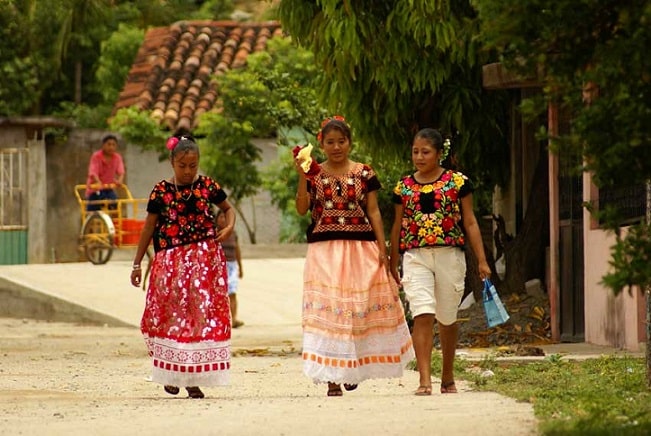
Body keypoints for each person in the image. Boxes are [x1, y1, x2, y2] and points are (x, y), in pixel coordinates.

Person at [294, 115, 415, 397]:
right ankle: (332, 378)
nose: (336, 147)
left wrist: (383, 248)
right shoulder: (313, 173)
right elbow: (301, 209)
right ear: (322, 144)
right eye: (330, 142)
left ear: (350, 142)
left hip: (361, 247)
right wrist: (301, 175)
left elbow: (373, 211)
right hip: (324, 249)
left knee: (359, 307)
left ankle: (354, 367)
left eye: (341, 141)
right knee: (331, 307)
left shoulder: (365, 173)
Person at [129, 133, 236, 399]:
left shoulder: (207, 185)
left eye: (193, 165)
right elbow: (149, 228)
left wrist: (229, 226)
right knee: (171, 315)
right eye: (182, 166)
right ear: (172, 163)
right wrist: (137, 263)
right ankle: (170, 374)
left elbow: (228, 208)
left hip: (203, 262)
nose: (188, 171)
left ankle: (191, 380)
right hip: (171, 263)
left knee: (198, 316)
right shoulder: (161, 191)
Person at [389, 128, 491, 396]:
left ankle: (447, 375)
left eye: (425, 152)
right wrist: (393, 261)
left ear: (438, 154)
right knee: (422, 313)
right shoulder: (403, 187)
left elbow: (470, 221)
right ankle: (425, 380)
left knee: (447, 317)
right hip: (415, 257)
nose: (419, 157)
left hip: (450, 255)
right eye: (415, 152)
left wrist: (482, 260)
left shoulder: (457, 182)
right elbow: (398, 225)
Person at [216, 210, 244, 328]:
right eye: (221, 217)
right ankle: (220, 320)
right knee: (219, 295)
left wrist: (240, 267)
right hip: (219, 266)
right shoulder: (214, 233)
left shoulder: (233, 233)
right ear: (217, 219)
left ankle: (234, 319)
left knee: (232, 292)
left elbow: (237, 250)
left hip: (232, 266)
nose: (223, 219)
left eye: (225, 217)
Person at [85, 134, 125, 211]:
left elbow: (121, 171)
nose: (111, 147)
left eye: (113, 145)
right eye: (109, 144)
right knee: (94, 208)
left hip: (108, 188)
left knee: (115, 203)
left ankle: (113, 217)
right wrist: (98, 182)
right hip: (95, 189)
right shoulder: (96, 156)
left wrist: (120, 180)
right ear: (103, 145)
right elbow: (93, 172)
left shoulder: (117, 157)